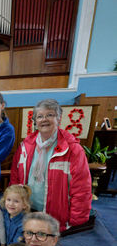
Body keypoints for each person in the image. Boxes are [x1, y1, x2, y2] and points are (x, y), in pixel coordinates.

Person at [10, 98, 92, 232]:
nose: (44, 119)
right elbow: (15, 175)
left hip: (54, 214)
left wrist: (76, 217)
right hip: (28, 208)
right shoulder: (25, 145)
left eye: (50, 115)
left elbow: (82, 186)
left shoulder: (72, 149)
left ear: (58, 119)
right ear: (35, 122)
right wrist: (14, 201)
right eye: (40, 116)